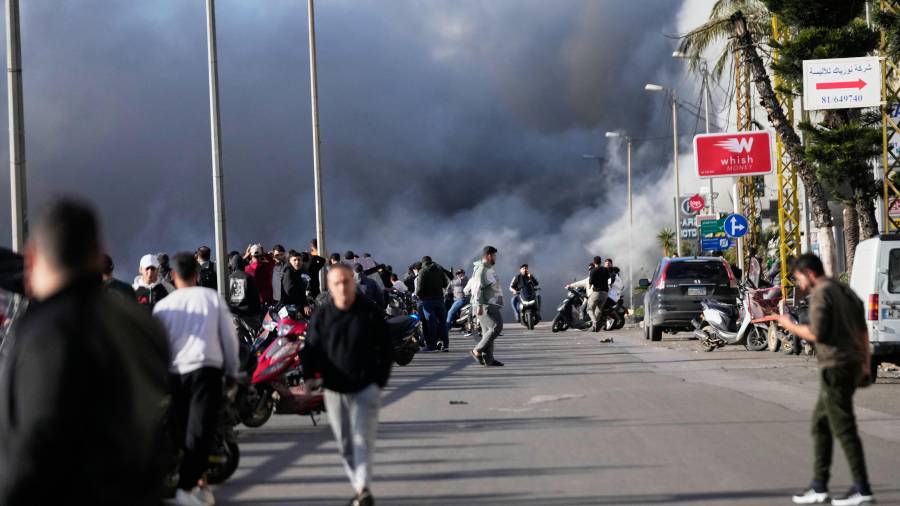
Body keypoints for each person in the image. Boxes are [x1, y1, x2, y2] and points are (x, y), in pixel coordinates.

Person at [0, 199, 170, 505]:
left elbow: (36, 442)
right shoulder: (134, 321)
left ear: (34, 257)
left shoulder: (49, 332)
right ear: (96, 252)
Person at [775, 255, 875, 506]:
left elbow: (815, 333)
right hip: (851, 364)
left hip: (835, 367)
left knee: (843, 427)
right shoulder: (844, 290)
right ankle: (819, 486)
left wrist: (789, 325)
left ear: (809, 273)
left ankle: (862, 489)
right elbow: (863, 330)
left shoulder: (821, 293)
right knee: (821, 423)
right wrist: (865, 363)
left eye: (798, 279)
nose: (800, 285)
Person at [153, 252, 240, 506]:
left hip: (174, 374)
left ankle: (196, 485)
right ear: (197, 274)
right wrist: (232, 372)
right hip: (206, 371)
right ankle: (188, 487)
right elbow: (229, 339)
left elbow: (158, 346)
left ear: (173, 276)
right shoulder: (210, 298)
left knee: (184, 430)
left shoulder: (163, 306)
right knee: (201, 431)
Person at [302, 265, 392, 506]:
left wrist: (378, 382)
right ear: (330, 288)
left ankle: (363, 487)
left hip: (366, 387)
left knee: (362, 438)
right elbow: (310, 348)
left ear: (353, 282)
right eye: (337, 283)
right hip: (334, 388)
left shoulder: (369, 312)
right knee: (345, 443)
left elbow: (386, 349)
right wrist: (309, 376)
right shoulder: (322, 316)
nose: (342, 287)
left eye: (346, 282)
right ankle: (359, 489)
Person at [470, 246, 504, 366]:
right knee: (496, 327)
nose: (495, 258)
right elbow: (477, 288)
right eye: (494, 255)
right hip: (485, 305)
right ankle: (477, 350)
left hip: (489, 303)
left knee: (487, 332)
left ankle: (488, 359)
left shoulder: (487, 268)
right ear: (489, 255)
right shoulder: (482, 269)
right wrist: (479, 305)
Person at [416, 256, 450, 352]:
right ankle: (446, 345)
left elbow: (419, 289)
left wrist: (420, 296)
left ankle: (432, 346)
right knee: (443, 323)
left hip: (427, 301)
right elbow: (445, 283)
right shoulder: (439, 270)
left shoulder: (422, 271)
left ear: (423, 263)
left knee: (431, 323)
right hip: (439, 300)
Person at [227, 254, 261, 325]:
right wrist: (257, 311)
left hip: (234, 314)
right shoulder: (248, 277)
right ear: (243, 264)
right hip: (248, 315)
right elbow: (255, 296)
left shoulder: (228, 278)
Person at [587, 256, 610, 332]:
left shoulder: (593, 270)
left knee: (589, 309)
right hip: (605, 293)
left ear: (594, 262)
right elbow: (608, 278)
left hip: (597, 292)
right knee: (599, 309)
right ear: (600, 262)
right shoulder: (605, 270)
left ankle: (594, 322)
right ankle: (594, 327)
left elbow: (590, 284)